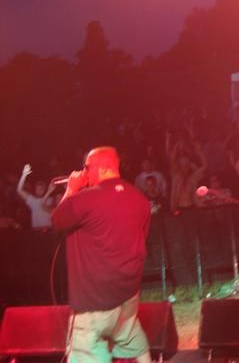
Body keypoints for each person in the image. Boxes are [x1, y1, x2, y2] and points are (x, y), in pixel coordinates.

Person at [51, 147, 151, 363]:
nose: (84, 172)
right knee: (130, 336)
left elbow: (57, 220)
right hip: (127, 294)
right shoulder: (139, 198)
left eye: (87, 167)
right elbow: (141, 238)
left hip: (94, 300)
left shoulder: (86, 198)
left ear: (102, 168)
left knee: (86, 348)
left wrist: (72, 188)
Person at [16, 163, 55, 229]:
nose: (40, 190)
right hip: (37, 230)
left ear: (45, 189)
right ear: (35, 190)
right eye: (38, 188)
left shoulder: (51, 199)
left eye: (42, 188)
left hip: (49, 229)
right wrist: (24, 175)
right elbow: (19, 190)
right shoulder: (33, 200)